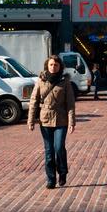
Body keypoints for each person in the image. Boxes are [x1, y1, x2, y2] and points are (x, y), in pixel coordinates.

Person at [27, 55, 76, 189]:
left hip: (61, 119)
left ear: (60, 66)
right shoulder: (41, 80)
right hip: (45, 119)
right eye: (51, 65)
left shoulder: (65, 81)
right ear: (46, 66)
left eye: (56, 65)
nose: (53, 67)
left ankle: (63, 172)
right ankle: (51, 179)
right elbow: (33, 101)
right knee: (49, 151)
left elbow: (70, 103)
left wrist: (72, 121)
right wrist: (31, 120)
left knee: (59, 147)